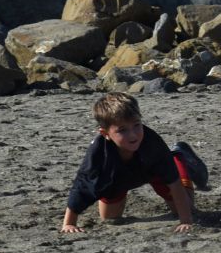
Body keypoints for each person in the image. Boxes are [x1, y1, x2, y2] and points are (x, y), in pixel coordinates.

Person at [61, 92, 210, 234]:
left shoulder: (153, 144)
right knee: (110, 218)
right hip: (116, 176)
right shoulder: (98, 153)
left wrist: (186, 220)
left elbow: (174, 182)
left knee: (186, 208)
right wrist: (69, 223)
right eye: (122, 130)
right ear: (105, 134)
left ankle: (178, 156)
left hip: (153, 170)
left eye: (137, 125)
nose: (133, 135)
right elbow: (82, 185)